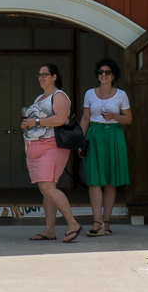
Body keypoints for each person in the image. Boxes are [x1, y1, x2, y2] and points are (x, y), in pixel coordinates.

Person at [21, 63, 83, 243]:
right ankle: (49, 230)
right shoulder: (40, 97)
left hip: (51, 146)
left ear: (54, 77)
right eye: (39, 75)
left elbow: (60, 119)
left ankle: (73, 224)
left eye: (45, 74)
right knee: (46, 189)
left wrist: (36, 123)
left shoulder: (59, 96)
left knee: (47, 187)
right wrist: (27, 125)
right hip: (34, 148)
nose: (41, 78)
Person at [81, 57, 131, 236]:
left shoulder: (121, 95)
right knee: (94, 180)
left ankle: (107, 222)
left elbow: (129, 118)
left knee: (111, 181)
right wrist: (80, 141)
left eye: (107, 72)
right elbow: (85, 119)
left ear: (113, 76)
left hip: (113, 135)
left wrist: (115, 117)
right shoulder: (89, 94)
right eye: (100, 72)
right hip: (94, 135)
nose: (103, 75)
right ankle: (97, 222)